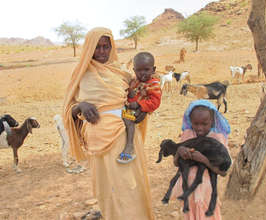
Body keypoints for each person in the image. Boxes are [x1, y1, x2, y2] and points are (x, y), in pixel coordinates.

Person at [63, 27, 154, 220]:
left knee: (129, 183)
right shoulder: (80, 74)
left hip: (124, 134)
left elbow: (140, 97)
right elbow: (68, 109)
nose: (102, 52)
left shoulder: (122, 73)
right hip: (97, 139)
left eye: (106, 46)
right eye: (97, 47)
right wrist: (82, 106)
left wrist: (142, 112)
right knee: (106, 186)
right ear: (89, 48)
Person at [171, 99, 231, 220]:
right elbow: (177, 163)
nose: (199, 128)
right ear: (190, 121)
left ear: (212, 121)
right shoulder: (188, 135)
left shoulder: (217, 139)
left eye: (204, 124)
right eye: (196, 123)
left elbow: (223, 172)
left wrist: (203, 159)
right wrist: (179, 152)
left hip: (207, 194)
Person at [117, 52, 162, 164]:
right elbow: (131, 94)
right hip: (128, 110)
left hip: (138, 115)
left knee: (130, 124)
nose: (142, 73)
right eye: (138, 70)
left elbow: (155, 102)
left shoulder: (154, 85)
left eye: (146, 70)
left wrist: (139, 105)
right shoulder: (134, 81)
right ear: (134, 69)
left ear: (153, 69)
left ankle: (129, 147)